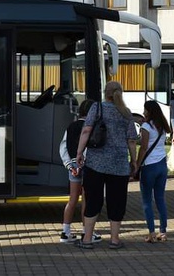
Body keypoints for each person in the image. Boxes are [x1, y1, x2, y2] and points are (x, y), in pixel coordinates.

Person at [75, 81, 137, 250]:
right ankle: (115, 240)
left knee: (93, 200)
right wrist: (134, 161)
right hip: (119, 165)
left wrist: (79, 153)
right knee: (116, 201)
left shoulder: (97, 108)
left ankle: (87, 239)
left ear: (105, 93)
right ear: (120, 93)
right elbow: (131, 140)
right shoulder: (126, 113)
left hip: (95, 163)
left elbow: (86, 130)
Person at [57, 99, 100, 244]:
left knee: (73, 198)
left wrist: (69, 165)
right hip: (88, 166)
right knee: (86, 200)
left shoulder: (71, 126)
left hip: (73, 165)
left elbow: (63, 147)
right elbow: (91, 147)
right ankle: (87, 232)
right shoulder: (92, 127)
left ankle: (65, 232)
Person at [136, 100, 171, 243]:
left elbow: (143, 147)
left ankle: (151, 232)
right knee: (160, 199)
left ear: (149, 111)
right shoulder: (161, 125)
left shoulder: (146, 126)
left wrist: (137, 164)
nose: (143, 112)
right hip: (162, 164)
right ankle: (163, 232)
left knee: (147, 201)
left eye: (145, 110)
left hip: (149, 166)